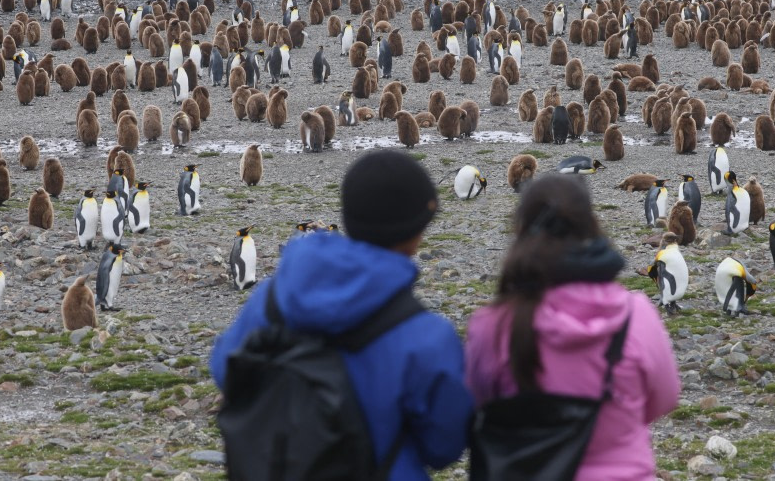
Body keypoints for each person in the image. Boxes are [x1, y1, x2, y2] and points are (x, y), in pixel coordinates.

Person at [210, 150, 472, 480]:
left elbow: (225, 367)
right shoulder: (426, 336)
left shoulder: (275, 298)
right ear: (416, 232)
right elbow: (444, 445)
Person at [465, 174, 681, 480]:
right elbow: (665, 398)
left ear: (521, 230)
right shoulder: (635, 315)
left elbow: (478, 407)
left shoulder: (494, 326)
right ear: (590, 225)